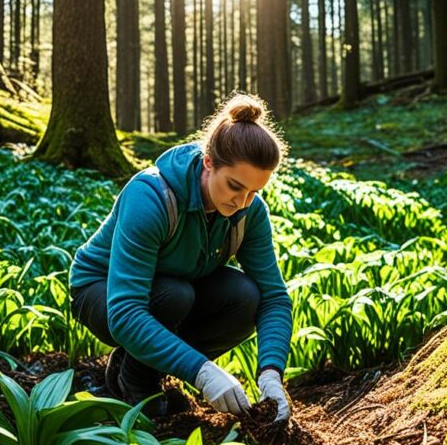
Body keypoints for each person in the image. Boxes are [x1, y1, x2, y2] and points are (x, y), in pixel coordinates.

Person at [69, 94, 293, 421]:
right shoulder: (150, 196)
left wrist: (271, 373)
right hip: (102, 292)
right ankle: (134, 382)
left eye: (253, 192)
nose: (242, 201)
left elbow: (274, 297)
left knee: (246, 298)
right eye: (234, 186)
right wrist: (202, 371)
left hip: (178, 287)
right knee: (174, 295)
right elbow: (125, 310)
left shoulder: (249, 214)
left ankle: (136, 368)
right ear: (208, 163)